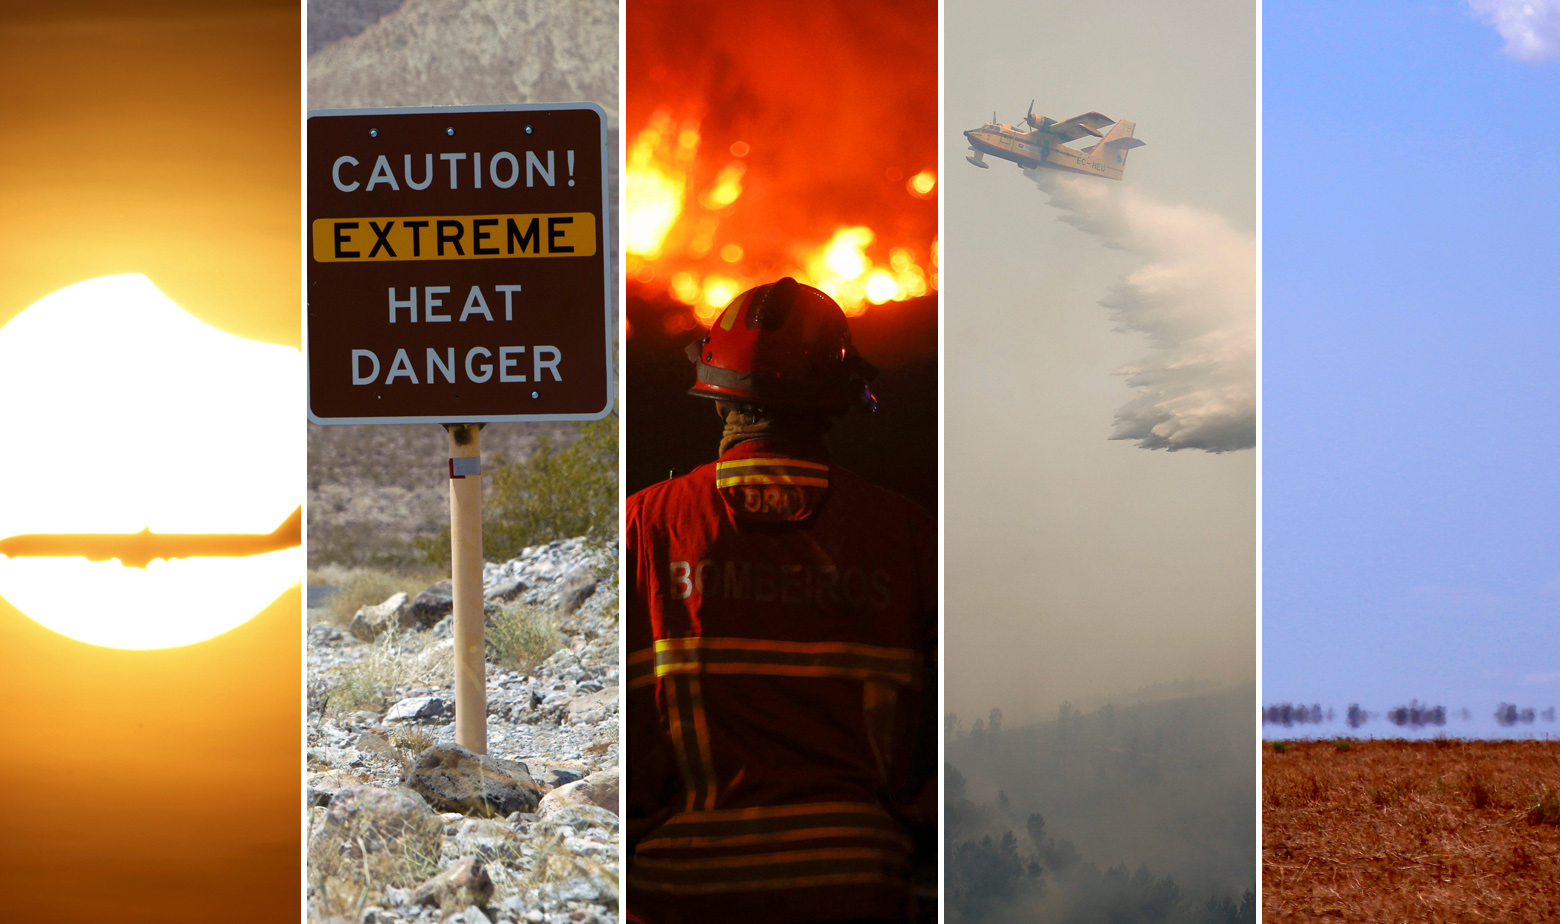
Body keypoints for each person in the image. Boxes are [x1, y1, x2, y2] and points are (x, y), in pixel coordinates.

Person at [625, 277, 937, 924]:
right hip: (854, 886)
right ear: (838, 397)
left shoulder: (645, 527)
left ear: (716, 394)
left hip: (680, 891)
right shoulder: (908, 535)